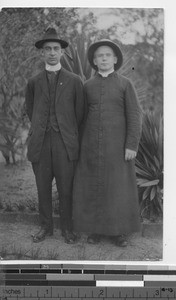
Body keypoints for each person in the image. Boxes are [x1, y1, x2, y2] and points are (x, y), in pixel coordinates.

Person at [73, 39, 141, 247]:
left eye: (107, 55)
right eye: (99, 56)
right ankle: (95, 230)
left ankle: (118, 233)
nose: (103, 58)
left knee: (116, 188)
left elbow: (135, 115)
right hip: (91, 147)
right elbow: (80, 118)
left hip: (117, 148)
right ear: (94, 61)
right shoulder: (88, 86)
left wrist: (131, 145)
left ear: (114, 59)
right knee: (93, 187)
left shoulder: (125, 84)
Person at [25, 28, 84, 243]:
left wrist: (65, 131)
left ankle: (67, 230)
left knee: (66, 189)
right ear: (41, 53)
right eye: (47, 49)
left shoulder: (75, 80)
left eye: (56, 49)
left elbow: (79, 114)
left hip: (65, 144)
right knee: (42, 189)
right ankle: (45, 228)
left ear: (62, 52)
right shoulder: (34, 82)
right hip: (40, 142)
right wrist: (42, 127)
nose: (51, 52)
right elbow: (30, 109)